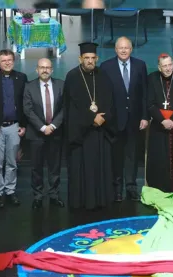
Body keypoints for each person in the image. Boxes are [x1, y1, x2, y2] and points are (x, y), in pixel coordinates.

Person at [63, 42, 116, 210]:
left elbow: (110, 101)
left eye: (93, 58)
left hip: (100, 132)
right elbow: (70, 107)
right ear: (80, 58)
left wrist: (102, 118)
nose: (90, 61)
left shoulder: (103, 76)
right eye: (86, 58)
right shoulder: (72, 77)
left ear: (97, 58)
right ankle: (82, 202)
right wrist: (91, 119)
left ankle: (101, 200)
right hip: (82, 134)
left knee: (100, 168)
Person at [100, 37, 148, 201]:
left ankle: (131, 187)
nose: (123, 50)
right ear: (115, 49)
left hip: (134, 120)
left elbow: (144, 94)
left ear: (131, 49)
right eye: (120, 48)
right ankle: (117, 188)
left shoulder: (140, 65)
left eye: (126, 48)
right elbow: (103, 96)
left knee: (132, 155)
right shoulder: (106, 67)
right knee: (116, 156)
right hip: (114, 121)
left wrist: (144, 116)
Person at [0, 49, 28, 208]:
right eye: (4, 60)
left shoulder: (21, 78)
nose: (7, 63)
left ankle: (10, 191)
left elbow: (24, 104)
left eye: (10, 60)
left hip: (14, 126)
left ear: (13, 61)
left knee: (12, 162)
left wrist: (23, 125)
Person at [23, 58, 65, 209]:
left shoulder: (61, 85)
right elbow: (28, 110)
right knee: (36, 168)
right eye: (42, 67)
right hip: (36, 134)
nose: (45, 70)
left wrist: (52, 126)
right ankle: (38, 196)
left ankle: (54, 195)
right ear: (37, 69)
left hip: (55, 133)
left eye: (47, 67)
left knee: (55, 167)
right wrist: (42, 127)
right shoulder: (29, 87)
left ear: (52, 70)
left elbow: (64, 108)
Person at [145, 53, 173, 193]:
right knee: (159, 157)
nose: (168, 68)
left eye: (170, 65)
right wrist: (163, 120)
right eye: (164, 66)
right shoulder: (152, 78)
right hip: (159, 124)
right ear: (159, 67)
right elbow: (150, 103)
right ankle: (159, 187)